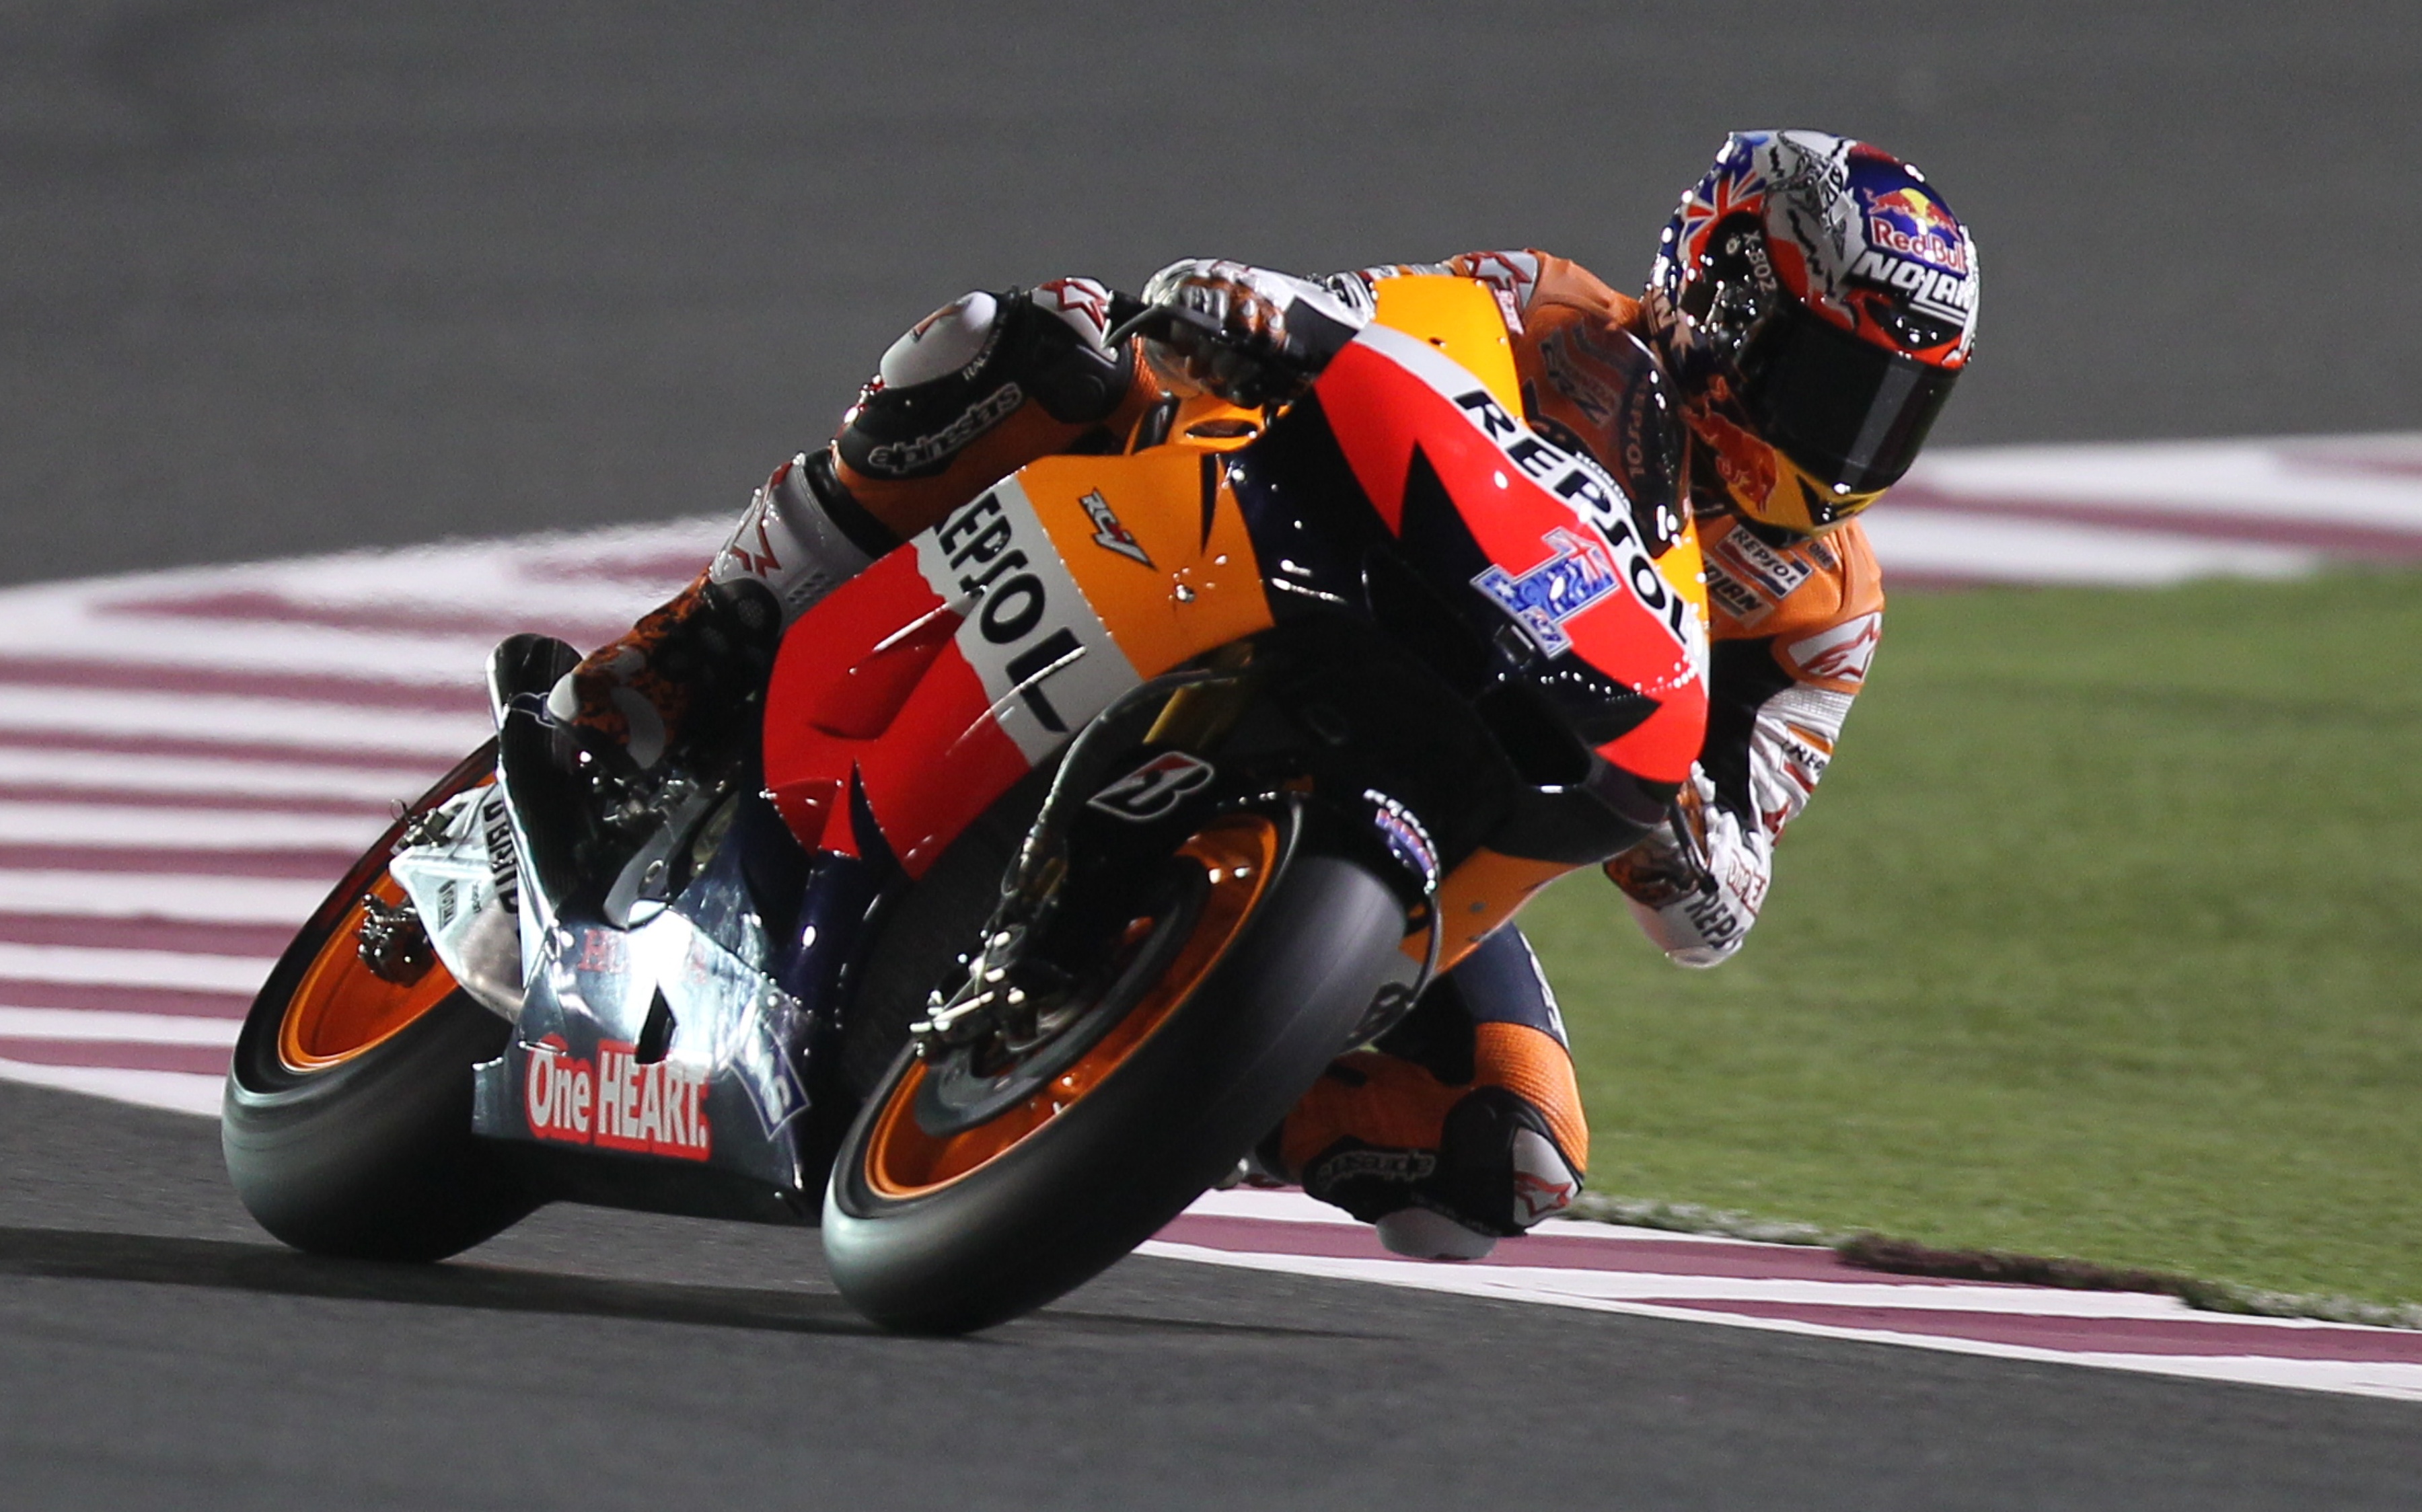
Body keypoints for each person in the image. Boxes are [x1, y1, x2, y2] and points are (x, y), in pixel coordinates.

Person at [547, 129, 1980, 1258]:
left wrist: (1682, 837)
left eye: (1891, 407)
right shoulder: (1546, 313)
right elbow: (1363, 327)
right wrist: (1269, 317)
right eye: (1826, 380)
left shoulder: (1821, 612)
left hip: (1443, 804)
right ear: (1725, 296)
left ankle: (1172, 1063)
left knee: (1506, 1158)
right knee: (1035, 341)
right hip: (1275, 586)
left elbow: (1721, 910)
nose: (1845, 442)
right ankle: (703, 637)